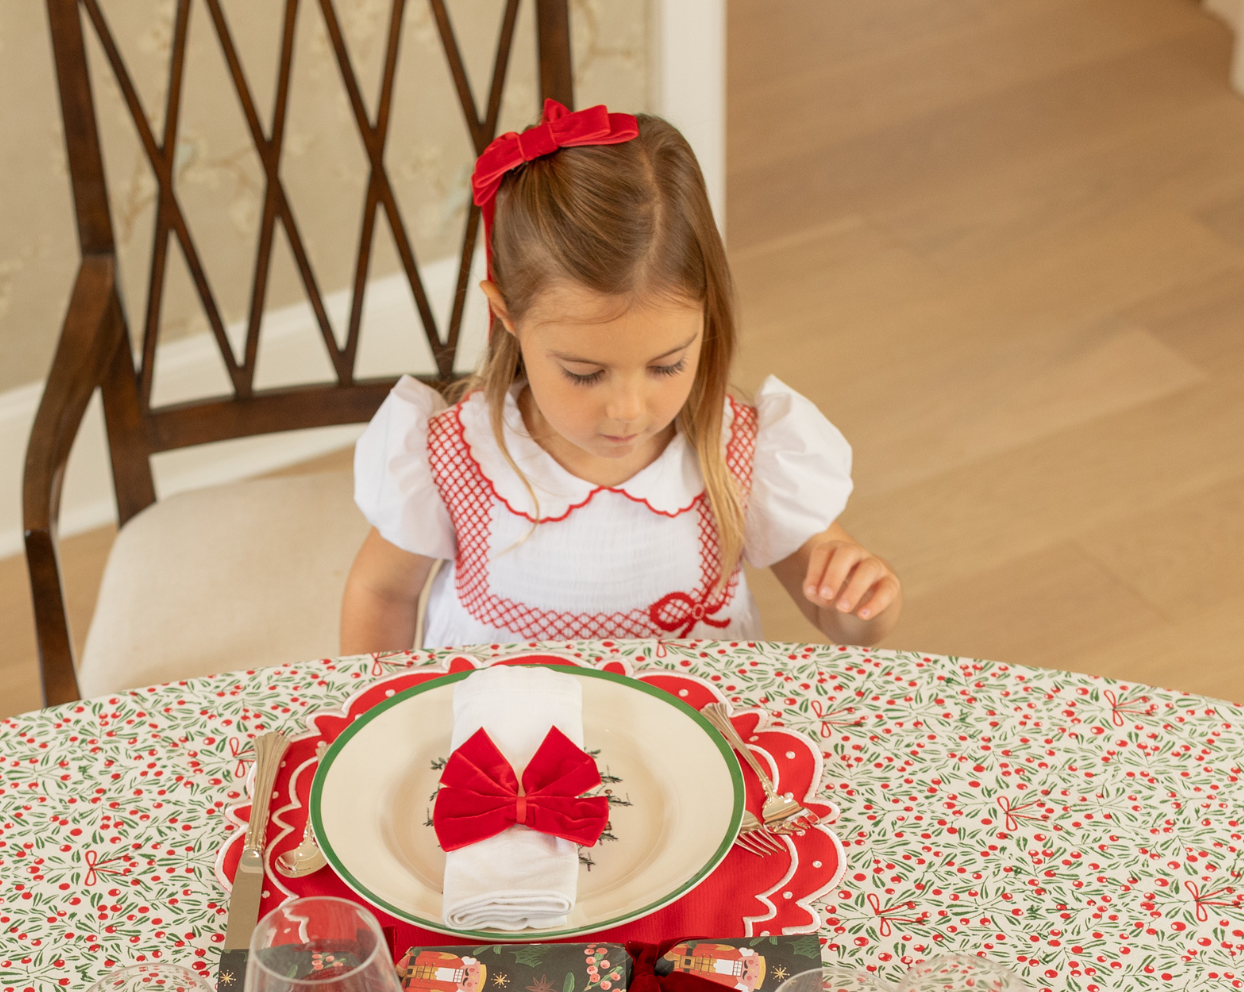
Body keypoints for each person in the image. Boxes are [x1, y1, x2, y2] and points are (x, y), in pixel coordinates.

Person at [340, 103, 902, 655]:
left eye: (667, 366)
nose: (629, 409)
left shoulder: (740, 454)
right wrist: (368, 711)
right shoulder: (454, 458)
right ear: (509, 314)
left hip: (691, 735)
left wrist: (861, 601)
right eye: (585, 374)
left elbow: (837, 617)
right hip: (503, 741)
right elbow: (381, 592)